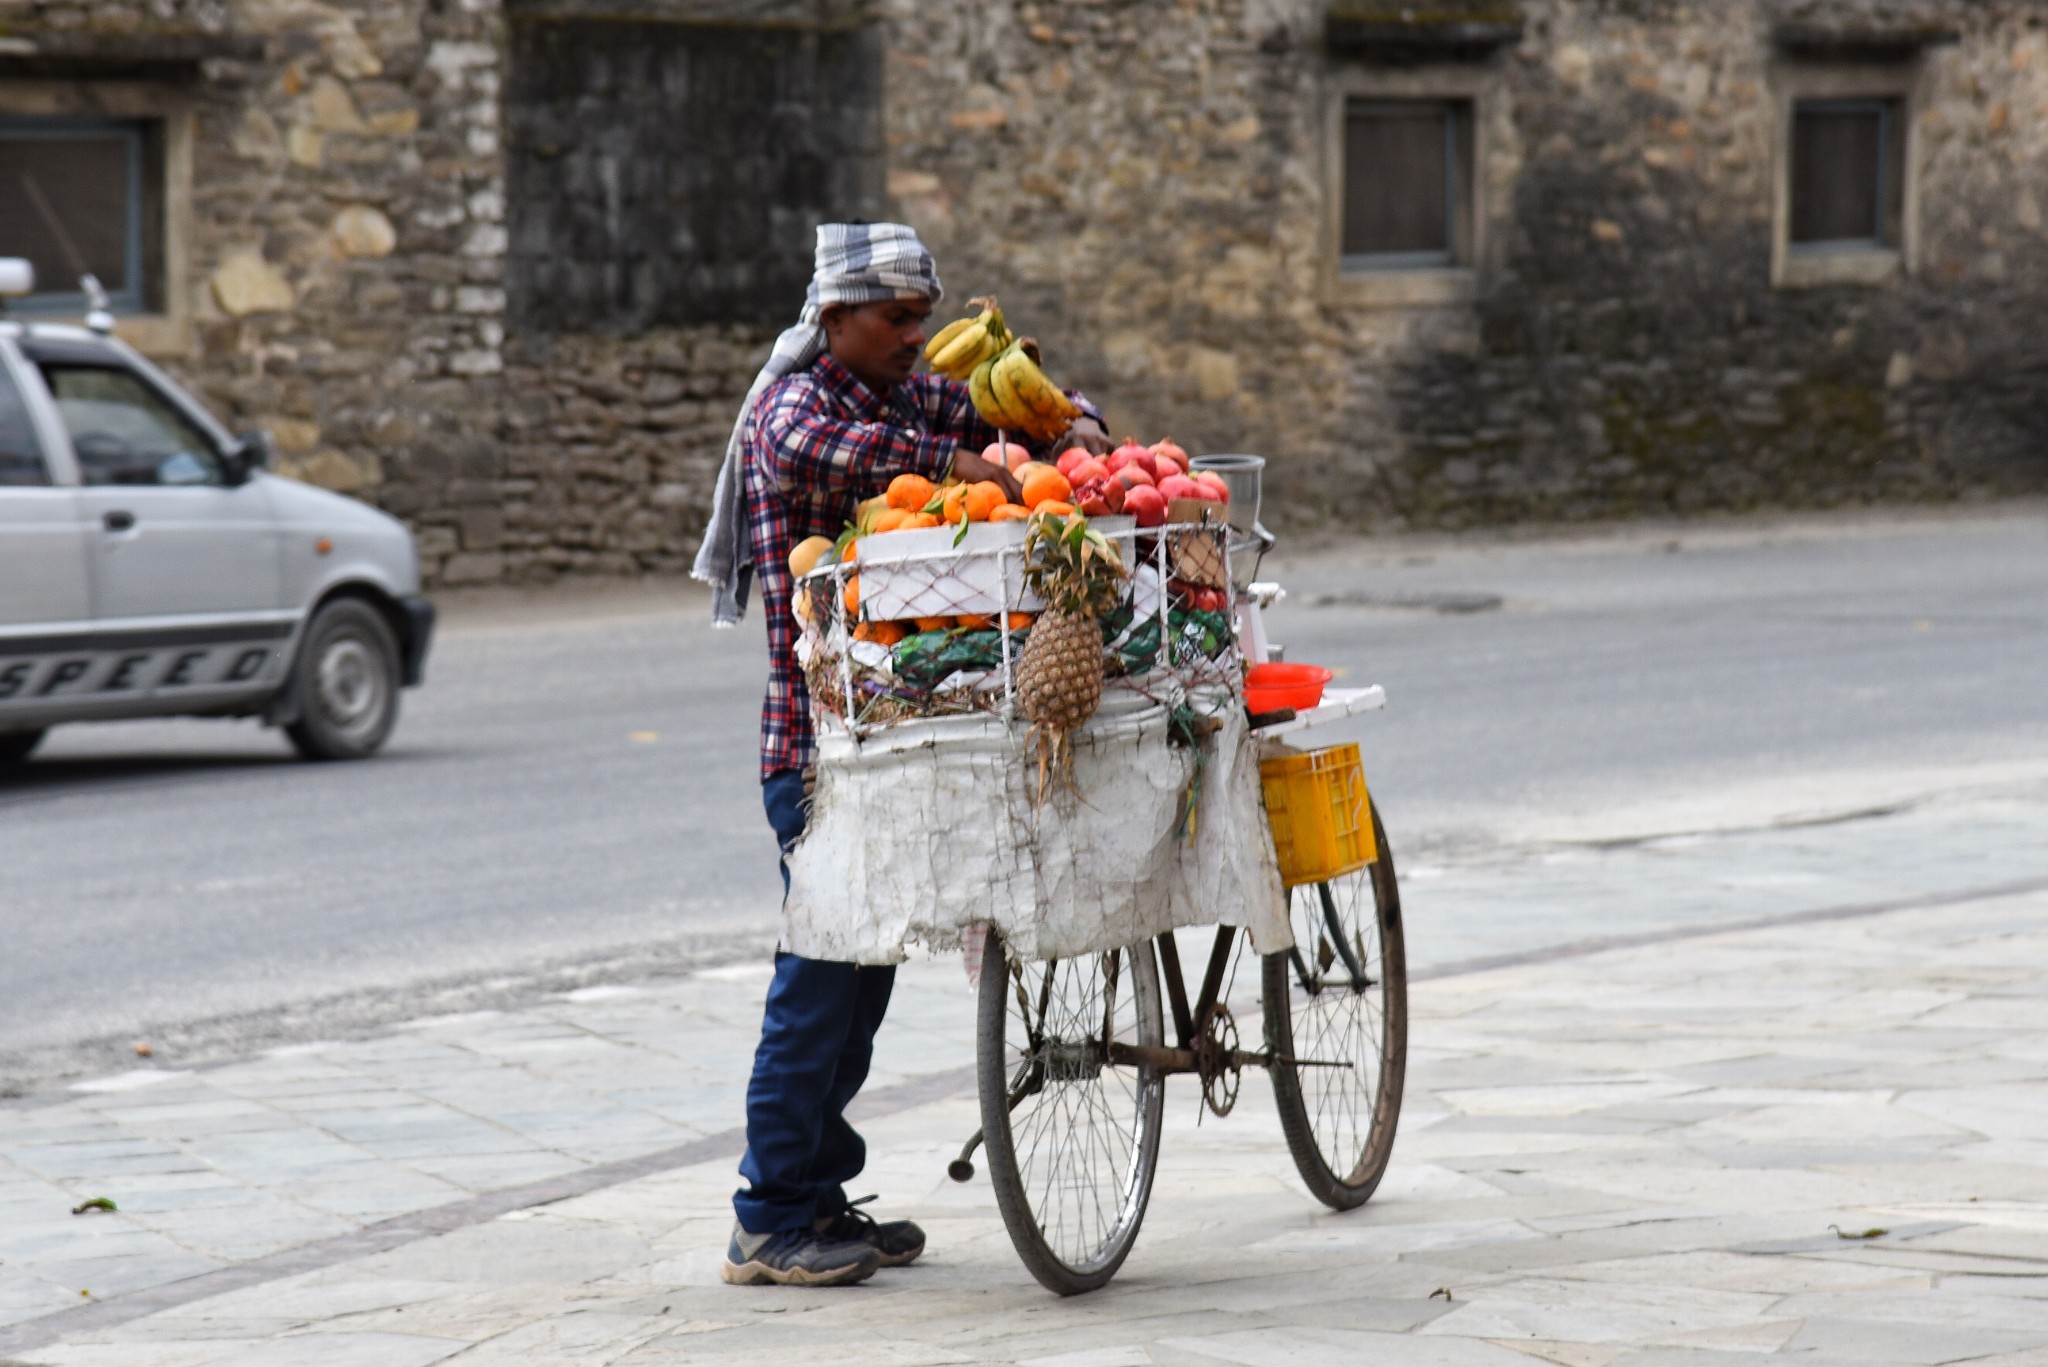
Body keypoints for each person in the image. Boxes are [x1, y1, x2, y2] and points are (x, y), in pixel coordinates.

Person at [692, 222, 1108, 1287]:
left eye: (924, 317)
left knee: (859, 983)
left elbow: (995, 416)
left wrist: (1070, 432)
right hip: (817, 754)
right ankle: (767, 1211)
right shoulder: (795, 411)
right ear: (833, 316)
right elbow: (883, 461)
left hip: (889, 742)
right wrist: (990, 469)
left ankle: (819, 1192)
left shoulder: (911, 392)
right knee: (819, 979)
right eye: (894, 318)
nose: (916, 337)